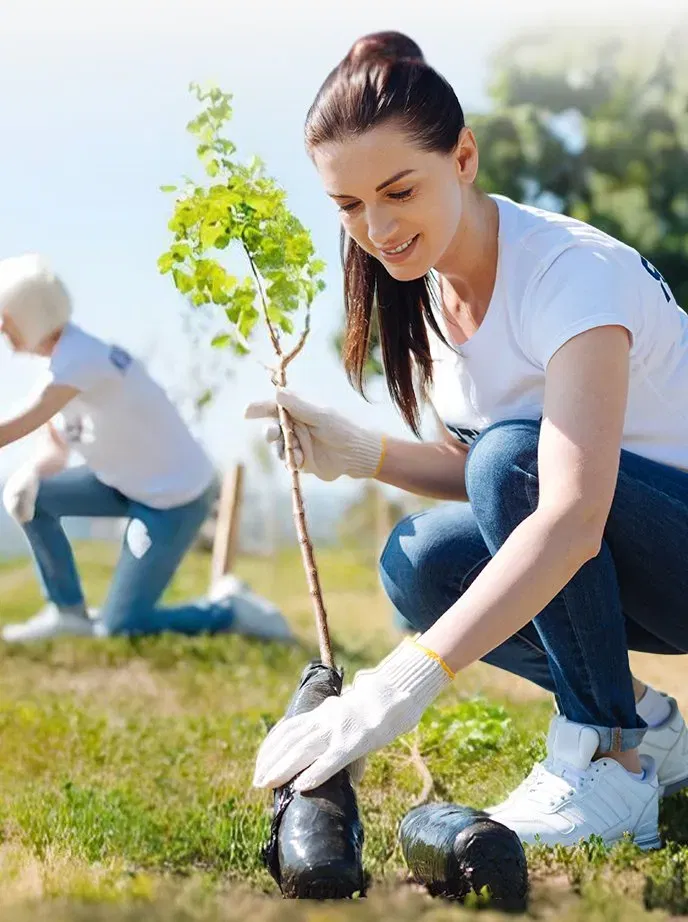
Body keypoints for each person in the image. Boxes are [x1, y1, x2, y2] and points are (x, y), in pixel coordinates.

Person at [249, 31, 688, 851]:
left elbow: (566, 511)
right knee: (419, 559)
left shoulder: (569, 275)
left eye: (397, 191)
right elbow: (490, 478)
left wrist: (399, 687)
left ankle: (611, 758)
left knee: (512, 460)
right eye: (348, 206)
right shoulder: (438, 294)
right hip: (644, 553)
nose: (376, 228)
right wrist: (366, 453)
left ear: (464, 156)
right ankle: (650, 731)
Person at [0, 253, 293, 644]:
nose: (2, 328)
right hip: (122, 484)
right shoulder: (61, 367)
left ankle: (229, 609)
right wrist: (32, 475)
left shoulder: (79, 359)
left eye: (7, 317)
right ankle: (66, 611)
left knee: (122, 626)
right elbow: (54, 448)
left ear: (32, 313)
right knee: (36, 497)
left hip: (173, 498)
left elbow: (20, 423)